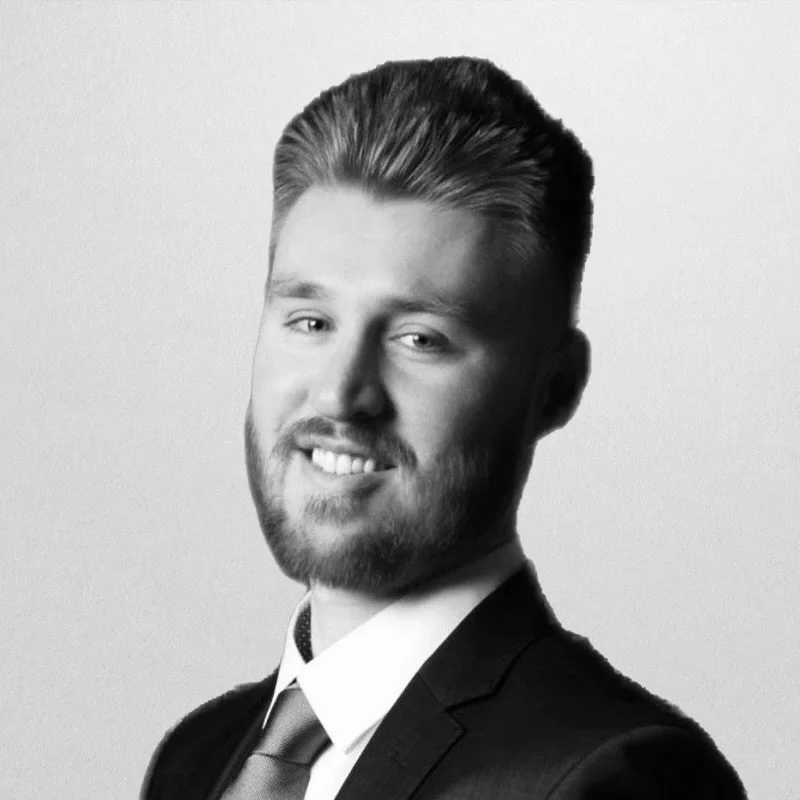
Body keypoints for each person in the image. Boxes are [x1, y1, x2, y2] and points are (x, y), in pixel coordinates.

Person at [141, 57, 746, 799]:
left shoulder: (612, 776)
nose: (340, 391)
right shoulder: (198, 760)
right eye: (310, 320)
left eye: (420, 338)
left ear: (554, 389)